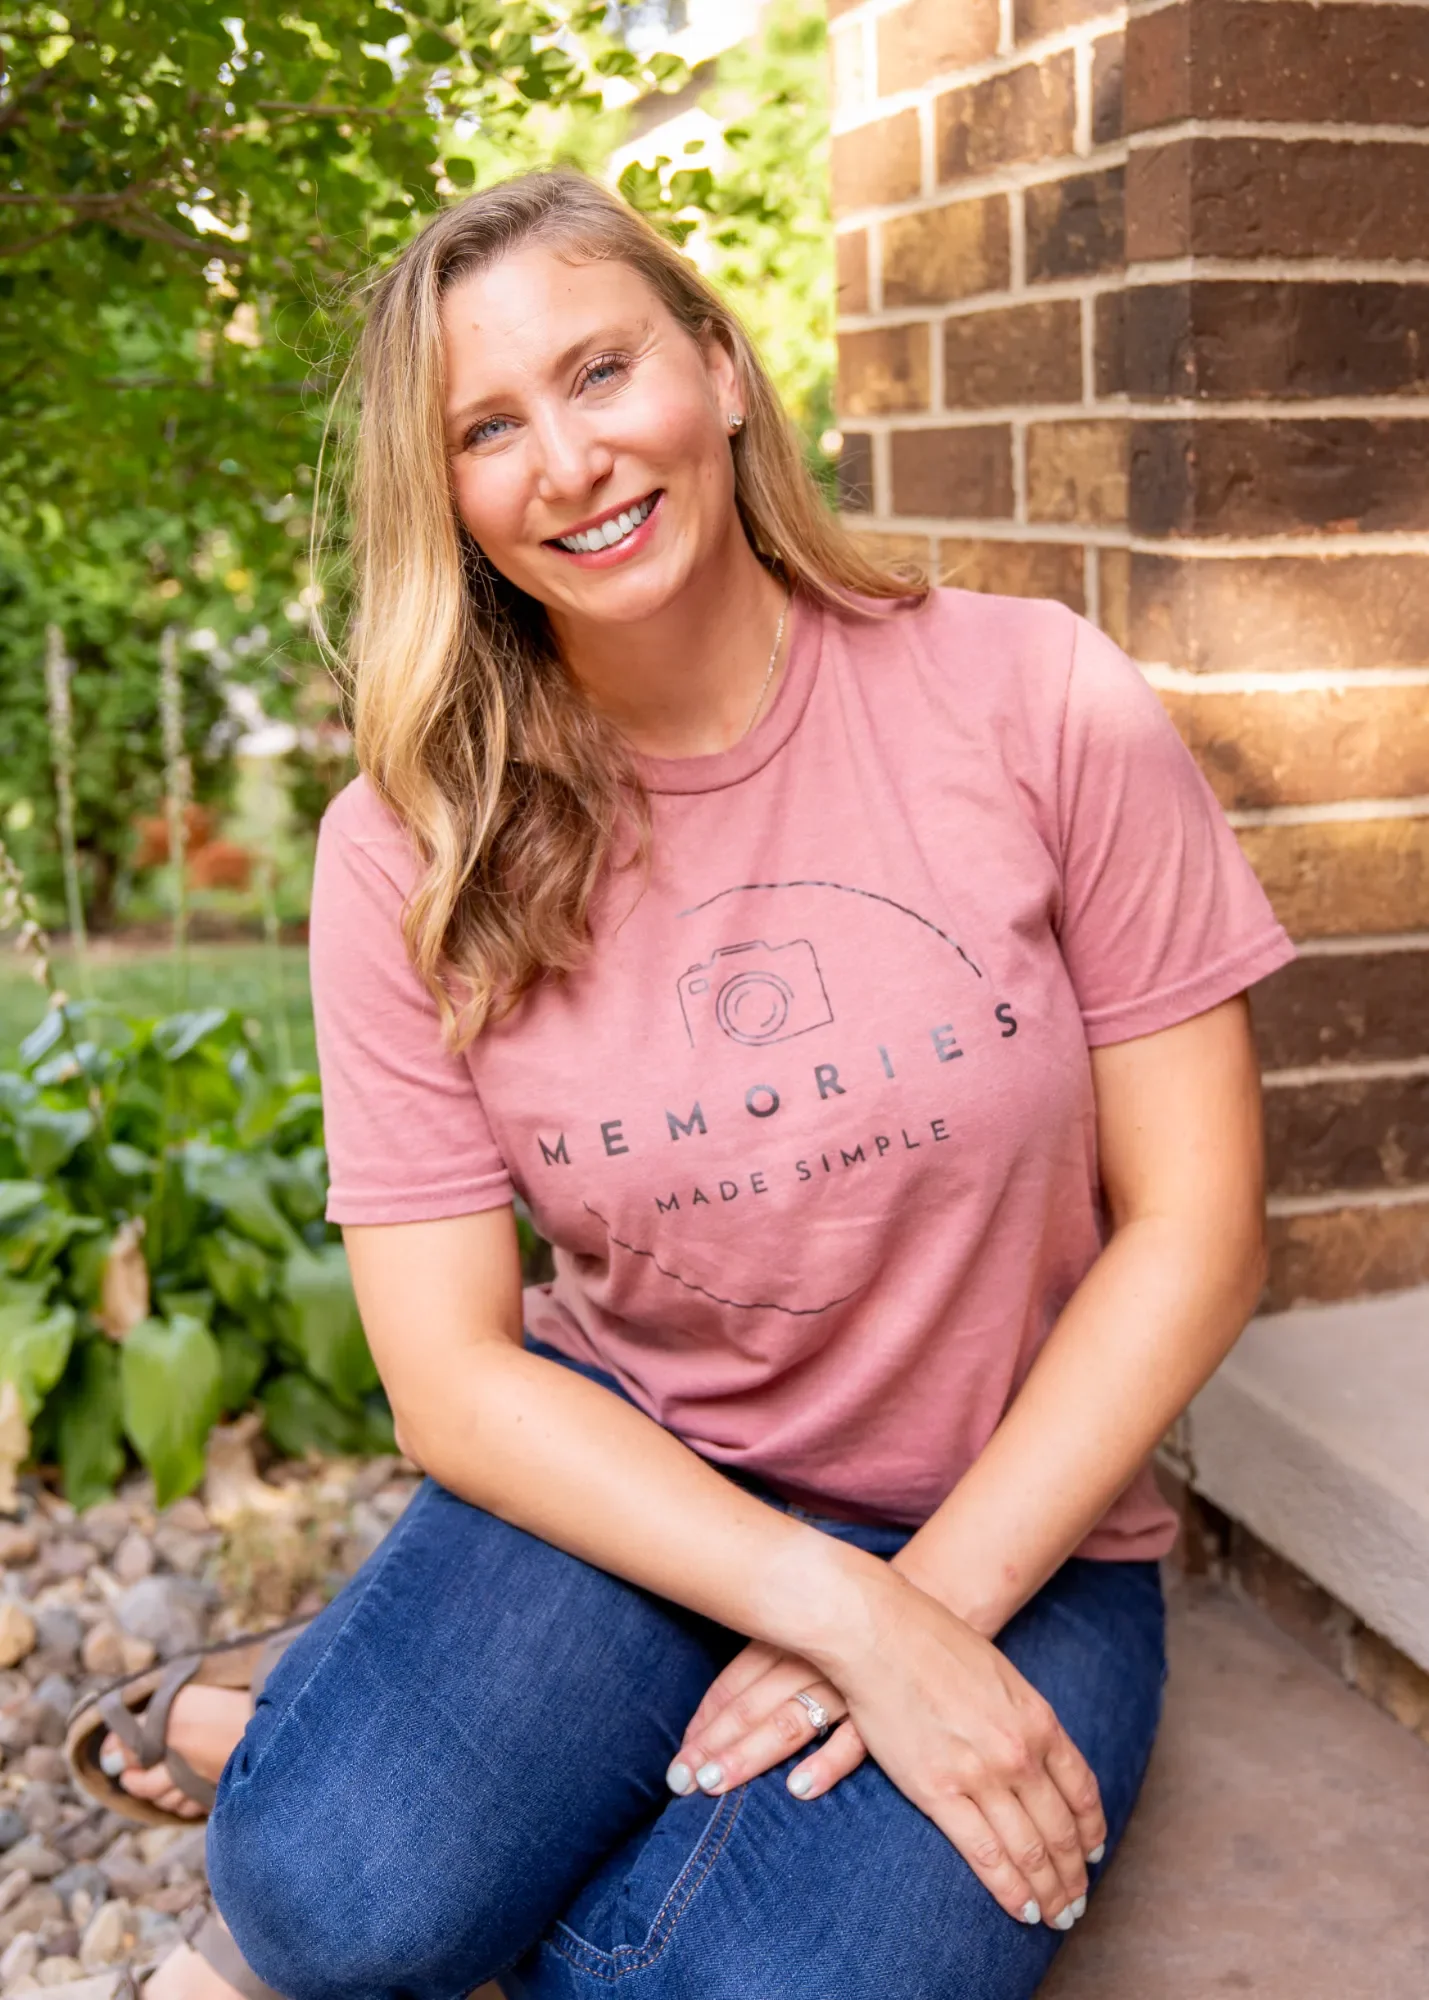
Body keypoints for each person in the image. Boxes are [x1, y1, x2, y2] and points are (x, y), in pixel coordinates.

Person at [90, 167, 1296, 2000]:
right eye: (488, 429)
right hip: (635, 1484)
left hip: (1021, 1525)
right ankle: (341, 1712)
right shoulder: (406, 849)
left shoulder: (1035, 697)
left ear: (720, 372)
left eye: (600, 373)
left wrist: (926, 1612)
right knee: (326, 1895)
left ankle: (304, 1698)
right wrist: (832, 1613)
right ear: (456, 506)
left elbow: (1199, 1231)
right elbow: (453, 1378)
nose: (565, 462)